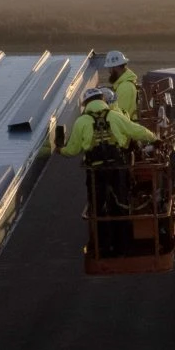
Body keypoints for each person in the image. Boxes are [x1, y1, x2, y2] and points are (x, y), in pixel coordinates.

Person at [57, 86, 157, 256]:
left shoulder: (81, 122)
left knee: (98, 209)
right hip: (118, 170)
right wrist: (155, 138)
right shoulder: (115, 116)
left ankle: (102, 247)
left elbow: (73, 150)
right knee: (121, 207)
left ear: (86, 104)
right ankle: (123, 247)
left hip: (96, 172)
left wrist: (60, 150)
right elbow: (136, 131)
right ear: (103, 100)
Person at [103, 50, 140, 120]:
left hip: (126, 129)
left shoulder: (125, 87)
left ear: (115, 67)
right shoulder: (122, 85)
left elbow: (120, 116)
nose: (109, 71)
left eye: (110, 68)